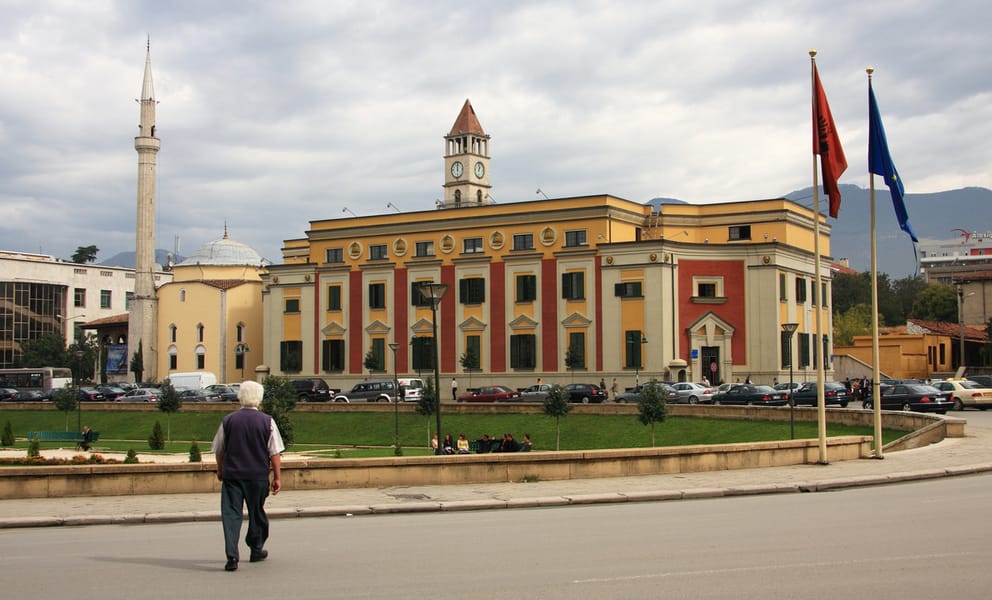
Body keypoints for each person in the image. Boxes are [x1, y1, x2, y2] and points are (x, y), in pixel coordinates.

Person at [212, 381, 285, 572]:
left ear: (240, 397)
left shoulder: (228, 420)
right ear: (259, 398)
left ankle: (231, 556)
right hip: (257, 476)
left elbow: (219, 449)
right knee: (256, 512)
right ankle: (256, 548)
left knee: (231, 515)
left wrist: (220, 469)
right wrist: (277, 477)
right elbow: (274, 452)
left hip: (232, 476)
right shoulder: (267, 421)